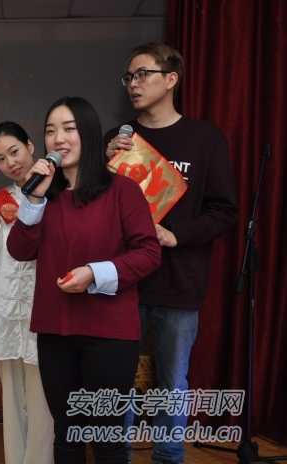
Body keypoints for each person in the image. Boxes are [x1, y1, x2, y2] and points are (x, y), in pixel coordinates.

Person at [104, 42, 238, 464]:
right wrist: (102, 169)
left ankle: (168, 456)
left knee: (172, 381)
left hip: (179, 281)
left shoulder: (205, 138)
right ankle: (117, 456)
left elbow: (225, 212)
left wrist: (175, 235)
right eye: (129, 77)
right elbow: (94, 212)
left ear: (171, 79)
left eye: (142, 74)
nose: (133, 83)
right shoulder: (119, 139)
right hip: (124, 281)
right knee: (117, 380)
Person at [7, 96, 162, 463]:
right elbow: (19, 250)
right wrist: (34, 200)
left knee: (107, 438)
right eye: (50, 131)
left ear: (89, 134)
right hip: (55, 330)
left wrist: (95, 273)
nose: (58, 138)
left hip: (109, 333)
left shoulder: (122, 190)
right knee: (67, 433)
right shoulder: (44, 196)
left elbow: (148, 253)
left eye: (69, 128)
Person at [0, 121, 54, 464]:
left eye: (14, 151)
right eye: (1, 159)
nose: (11, 162)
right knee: (12, 395)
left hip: (43, 307)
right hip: (7, 308)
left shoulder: (56, 194)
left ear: (30, 146)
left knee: (43, 395)